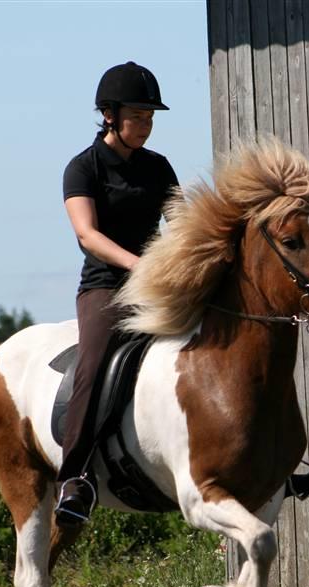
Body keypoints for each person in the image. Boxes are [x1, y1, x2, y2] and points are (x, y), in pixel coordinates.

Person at [55, 61, 179, 525]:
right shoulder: (82, 168)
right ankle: (74, 478)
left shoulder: (159, 167)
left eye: (150, 118)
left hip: (157, 285)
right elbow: (87, 235)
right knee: (92, 366)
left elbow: (182, 223)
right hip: (106, 287)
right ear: (109, 115)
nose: (145, 126)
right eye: (138, 116)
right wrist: (139, 263)